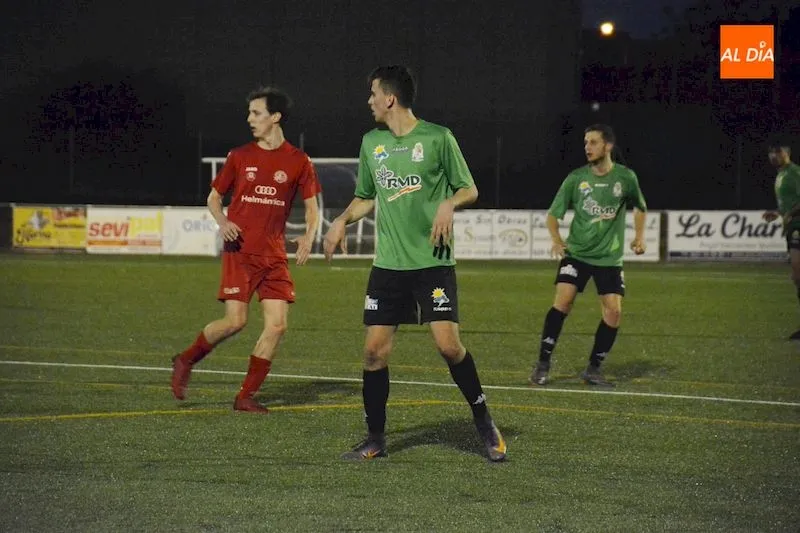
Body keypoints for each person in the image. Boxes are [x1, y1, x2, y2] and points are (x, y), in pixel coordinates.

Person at [323, 65, 506, 462]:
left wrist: (449, 202)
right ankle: (375, 438)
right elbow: (366, 196)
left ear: (390, 98)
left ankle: (484, 421)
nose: (369, 101)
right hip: (388, 265)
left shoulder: (438, 138)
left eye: (373, 93)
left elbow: (469, 188)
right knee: (374, 353)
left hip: (432, 261)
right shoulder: (372, 143)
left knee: (449, 347)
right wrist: (340, 220)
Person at [171, 87, 321, 412]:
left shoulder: (299, 161)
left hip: (274, 255)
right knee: (235, 322)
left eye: (256, 113)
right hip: (240, 250)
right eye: (250, 113)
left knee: (278, 325)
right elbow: (214, 198)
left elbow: (312, 208)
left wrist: (309, 236)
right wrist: (223, 221)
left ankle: (245, 396)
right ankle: (186, 359)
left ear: (275, 117)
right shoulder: (239, 156)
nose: (249, 119)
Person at [530, 124, 647, 388]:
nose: (587, 147)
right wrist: (557, 240)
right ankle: (543, 364)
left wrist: (639, 237)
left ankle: (593, 369)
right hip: (577, 254)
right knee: (563, 301)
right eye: (585, 142)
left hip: (609, 258)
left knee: (614, 312)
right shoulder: (576, 179)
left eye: (593, 142)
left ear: (608, 146)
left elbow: (640, 207)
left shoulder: (625, 178)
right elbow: (553, 215)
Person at [762, 142, 800, 340]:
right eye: (771, 152)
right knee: (797, 277)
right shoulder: (781, 174)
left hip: (798, 226)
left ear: (787, 153)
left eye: (778, 151)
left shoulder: (794, 173)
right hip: (792, 227)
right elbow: (790, 202)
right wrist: (778, 213)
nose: (774, 155)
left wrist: (790, 215)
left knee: (798, 274)